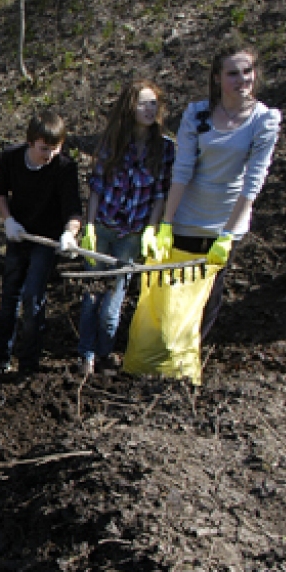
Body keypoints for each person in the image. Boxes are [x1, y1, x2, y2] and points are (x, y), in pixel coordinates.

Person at [156, 42, 281, 339]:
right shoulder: (198, 115)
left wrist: (227, 233)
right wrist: (166, 222)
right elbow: (182, 169)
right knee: (177, 291)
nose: (242, 80)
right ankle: (167, 353)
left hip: (227, 220)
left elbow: (254, 180)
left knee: (209, 293)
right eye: (233, 73)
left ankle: (191, 360)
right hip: (188, 215)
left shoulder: (264, 120)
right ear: (217, 78)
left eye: (247, 71)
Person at [77, 80, 176, 376]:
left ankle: (106, 353)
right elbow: (97, 186)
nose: (149, 109)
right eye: (143, 103)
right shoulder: (113, 142)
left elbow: (160, 192)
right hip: (104, 227)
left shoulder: (165, 148)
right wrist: (90, 226)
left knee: (112, 302)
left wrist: (152, 229)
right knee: (91, 295)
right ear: (129, 107)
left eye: (153, 104)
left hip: (132, 235)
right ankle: (86, 354)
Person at [0, 110, 82, 379]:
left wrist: (70, 234)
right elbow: (1, 191)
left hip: (45, 240)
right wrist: (8, 221)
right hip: (19, 234)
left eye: (55, 149)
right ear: (30, 142)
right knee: (10, 295)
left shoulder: (64, 167)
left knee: (33, 298)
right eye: (44, 149)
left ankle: (28, 364)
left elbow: (73, 210)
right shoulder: (12, 157)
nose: (49, 155)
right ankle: (0, 359)